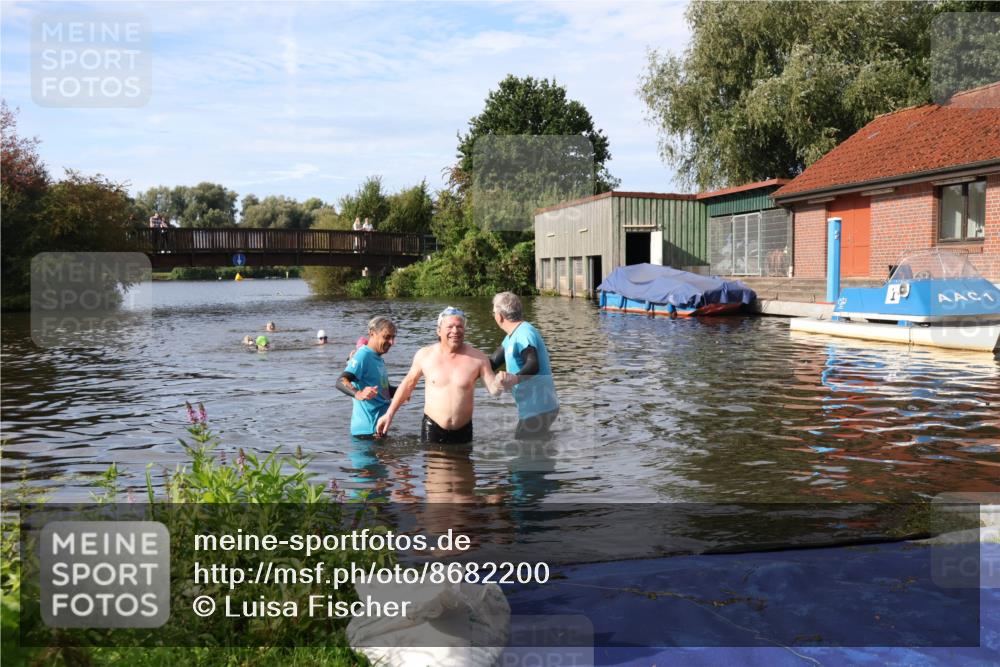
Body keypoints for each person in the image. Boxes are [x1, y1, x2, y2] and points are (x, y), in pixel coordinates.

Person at [375, 307, 503, 444]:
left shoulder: (478, 358)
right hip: (433, 428)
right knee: (435, 465)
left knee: (465, 465)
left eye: (459, 326)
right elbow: (407, 385)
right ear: (439, 330)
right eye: (450, 326)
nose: (455, 331)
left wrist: (502, 382)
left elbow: (493, 390)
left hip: (464, 430)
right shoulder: (425, 355)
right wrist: (389, 414)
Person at [490, 292, 559, 439]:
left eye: (494, 312)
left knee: (524, 449)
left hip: (539, 408)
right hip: (537, 408)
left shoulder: (524, 332)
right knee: (533, 447)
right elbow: (492, 363)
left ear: (500, 316)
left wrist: (514, 379)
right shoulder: (511, 336)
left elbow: (533, 364)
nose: (494, 315)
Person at [338, 317, 397, 438]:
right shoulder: (363, 355)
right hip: (365, 433)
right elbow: (341, 381)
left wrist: (403, 391)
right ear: (372, 334)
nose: (391, 342)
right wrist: (358, 393)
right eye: (387, 337)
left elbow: (384, 391)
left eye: (393, 337)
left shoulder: (378, 358)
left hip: (377, 430)